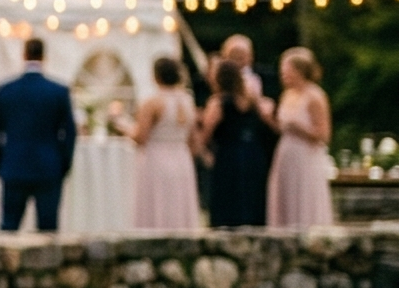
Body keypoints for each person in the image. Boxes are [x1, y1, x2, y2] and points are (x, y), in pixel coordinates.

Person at [0, 37, 76, 232]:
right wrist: (63, 164)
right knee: (48, 230)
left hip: (14, 165)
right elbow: (70, 133)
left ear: (24, 54)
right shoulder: (59, 91)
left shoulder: (5, 90)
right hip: (49, 167)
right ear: (44, 57)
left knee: (9, 228)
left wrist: (0, 162)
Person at [199, 58, 276, 227]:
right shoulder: (253, 102)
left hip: (229, 154)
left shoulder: (218, 102)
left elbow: (205, 134)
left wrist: (205, 153)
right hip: (253, 153)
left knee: (229, 198)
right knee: (251, 197)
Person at [127, 56, 201, 229]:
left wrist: (123, 127)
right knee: (179, 203)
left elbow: (140, 138)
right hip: (181, 159)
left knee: (157, 201)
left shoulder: (152, 103)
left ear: (156, 76)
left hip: (156, 158)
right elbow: (195, 141)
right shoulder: (188, 101)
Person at [267, 47, 336, 228]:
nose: (284, 76)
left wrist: (301, 129)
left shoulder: (315, 96)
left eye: (287, 71)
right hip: (286, 152)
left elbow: (324, 134)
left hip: (306, 155)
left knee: (304, 195)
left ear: (299, 71)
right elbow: (282, 127)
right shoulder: (287, 95)